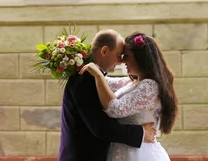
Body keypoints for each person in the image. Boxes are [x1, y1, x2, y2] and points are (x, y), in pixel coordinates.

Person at [59, 29, 157, 161]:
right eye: (119, 55)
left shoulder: (94, 78)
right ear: (104, 51)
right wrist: (140, 133)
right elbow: (101, 128)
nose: (121, 61)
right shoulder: (85, 79)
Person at [80, 32, 178, 161]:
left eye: (126, 56)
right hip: (122, 151)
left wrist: (98, 75)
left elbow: (116, 109)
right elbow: (106, 83)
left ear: (139, 58)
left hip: (137, 153)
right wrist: (77, 62)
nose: (122, 60)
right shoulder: (131, 82)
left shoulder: (149, 87)